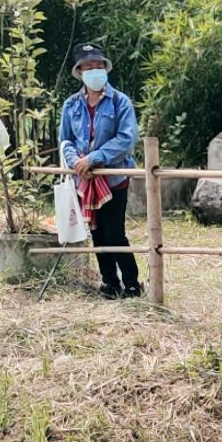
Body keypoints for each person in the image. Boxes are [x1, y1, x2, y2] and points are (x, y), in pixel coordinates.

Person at [58, 42, 142, 300]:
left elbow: (126, 138)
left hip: (114, 177)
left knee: (115, 231)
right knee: (97, 231)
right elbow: (66, 140)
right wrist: (76, 162)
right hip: (84, 179)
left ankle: (131, 283)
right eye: (88, 67)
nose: (94, 71)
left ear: (105, 68)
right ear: (79, 72)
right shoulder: (71, 105)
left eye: (98, 66)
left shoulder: (119, 102)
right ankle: (109, 282)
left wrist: (94, 158)